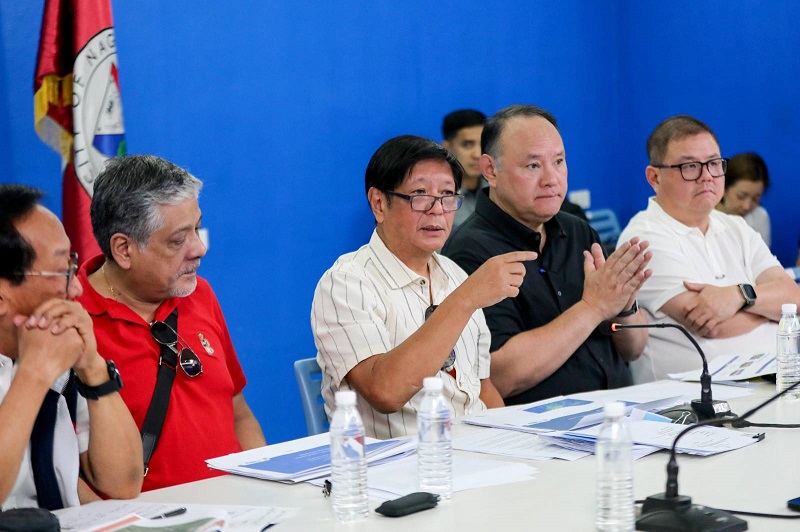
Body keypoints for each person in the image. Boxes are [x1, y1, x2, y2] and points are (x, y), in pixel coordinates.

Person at [312, 135, 535, 438]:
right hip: (396, 470)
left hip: (478, 456)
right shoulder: (346, 283)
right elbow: (385, 393)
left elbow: (482, 388)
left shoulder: (455, 274)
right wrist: (466, 299)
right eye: (419, 194)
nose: (438, 210)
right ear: (379, 203)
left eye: (447, 195)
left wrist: (515, 442)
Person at [76, 155, 265, 492]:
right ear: (123, 249)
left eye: (197, 228)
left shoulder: (200, 293)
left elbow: (238, 412)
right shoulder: (72, 324)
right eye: (178, 240)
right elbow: (65, 473)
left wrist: (271, 493)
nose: (199, 248)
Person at [443, 104, 652, 405]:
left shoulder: (578, 231)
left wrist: (624, 303)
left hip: (619, 413)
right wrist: (593, 307)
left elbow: (633, 350)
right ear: (491, 170)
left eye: (558, 161)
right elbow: (500, 376)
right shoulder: (471, 252)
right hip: (540, 437)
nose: (551, 179)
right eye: (533, 166)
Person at [619, 115, 800, 382]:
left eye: (714, 163)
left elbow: (793, 299)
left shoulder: (736, 227)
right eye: (689, 166)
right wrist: (771, 314)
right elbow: (711, 325)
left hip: (775, 381)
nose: (706, 177)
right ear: (654, 177)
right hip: (691, 400)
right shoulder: (643, 239)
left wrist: (738, 296)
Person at [0, 184, 142, 509]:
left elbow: (124, 482)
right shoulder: (41, 363)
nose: (77, 288)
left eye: (73, 263)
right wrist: (34, 374)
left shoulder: (56, 351)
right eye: (61, 271)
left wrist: (91, 366)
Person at [442, 109, 488, 228]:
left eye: (483, 145)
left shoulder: (498, 194)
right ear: (447, 147)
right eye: (468, 145)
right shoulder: (437, 199)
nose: (478, 154)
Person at [715, 152, 771, 247]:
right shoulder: (702, 218)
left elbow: (762, 260)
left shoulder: (759, 217)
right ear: (723, 188)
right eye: (741, 196)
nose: (747, 206)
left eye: (755, 198)